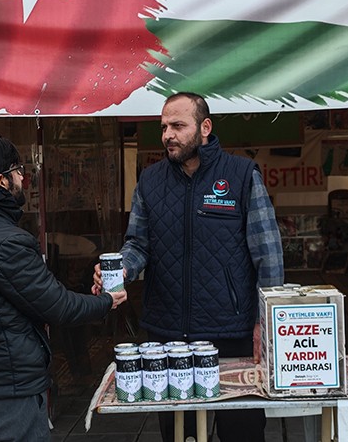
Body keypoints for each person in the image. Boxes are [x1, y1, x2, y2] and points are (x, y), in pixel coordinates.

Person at [93, 92, 284, 442]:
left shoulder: (241, 176)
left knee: (241, 431)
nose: (167, 135)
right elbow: (137, 244)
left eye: (178, 126)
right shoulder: (150, 181)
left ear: (205, 127)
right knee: (179, 434)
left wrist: (265, 323)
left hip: (230, 332)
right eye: (164, 126)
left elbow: (268, 254)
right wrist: (122, 270)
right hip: (167, 335)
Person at [0, 135, 126, 442]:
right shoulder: (7, 241)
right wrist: (105, 301)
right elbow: (58, 306)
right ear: (1, 180)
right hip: (11, 392)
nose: (23, 176)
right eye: (17, 169)